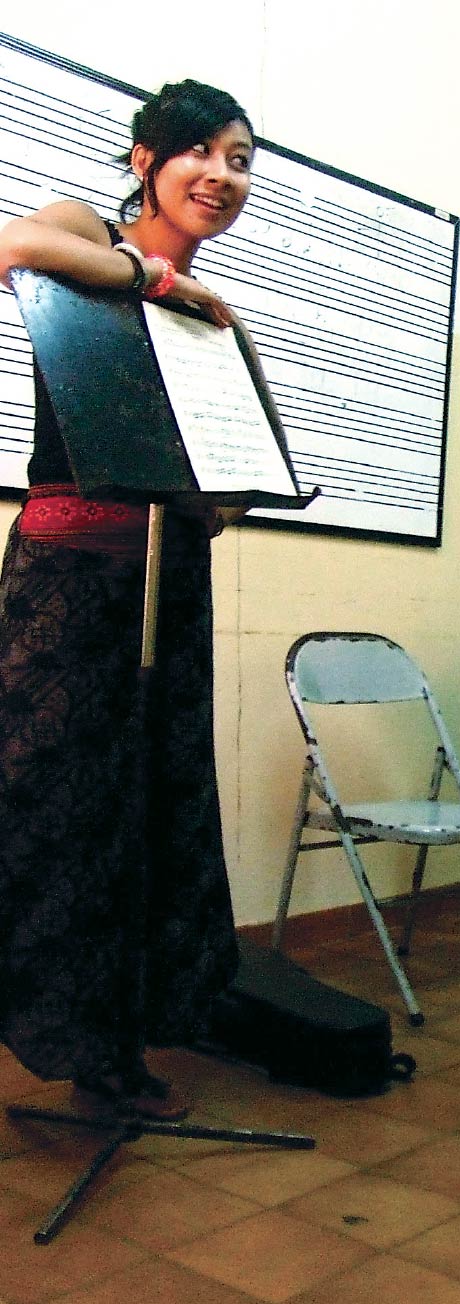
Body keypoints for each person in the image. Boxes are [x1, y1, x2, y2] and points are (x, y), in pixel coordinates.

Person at [0, 79, 267, 1120]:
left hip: (168, 578)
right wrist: (152, 276)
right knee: (41, 803)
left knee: (148, 810)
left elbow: (210, 487)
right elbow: (15, 247)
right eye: (201, 151)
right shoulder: (90, 231)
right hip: (67, 573)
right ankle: (50, 1022)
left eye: (242, 160)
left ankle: (111, 1047)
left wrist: (236, 483)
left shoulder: (215, 320)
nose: (223, 175)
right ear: (146, 157)